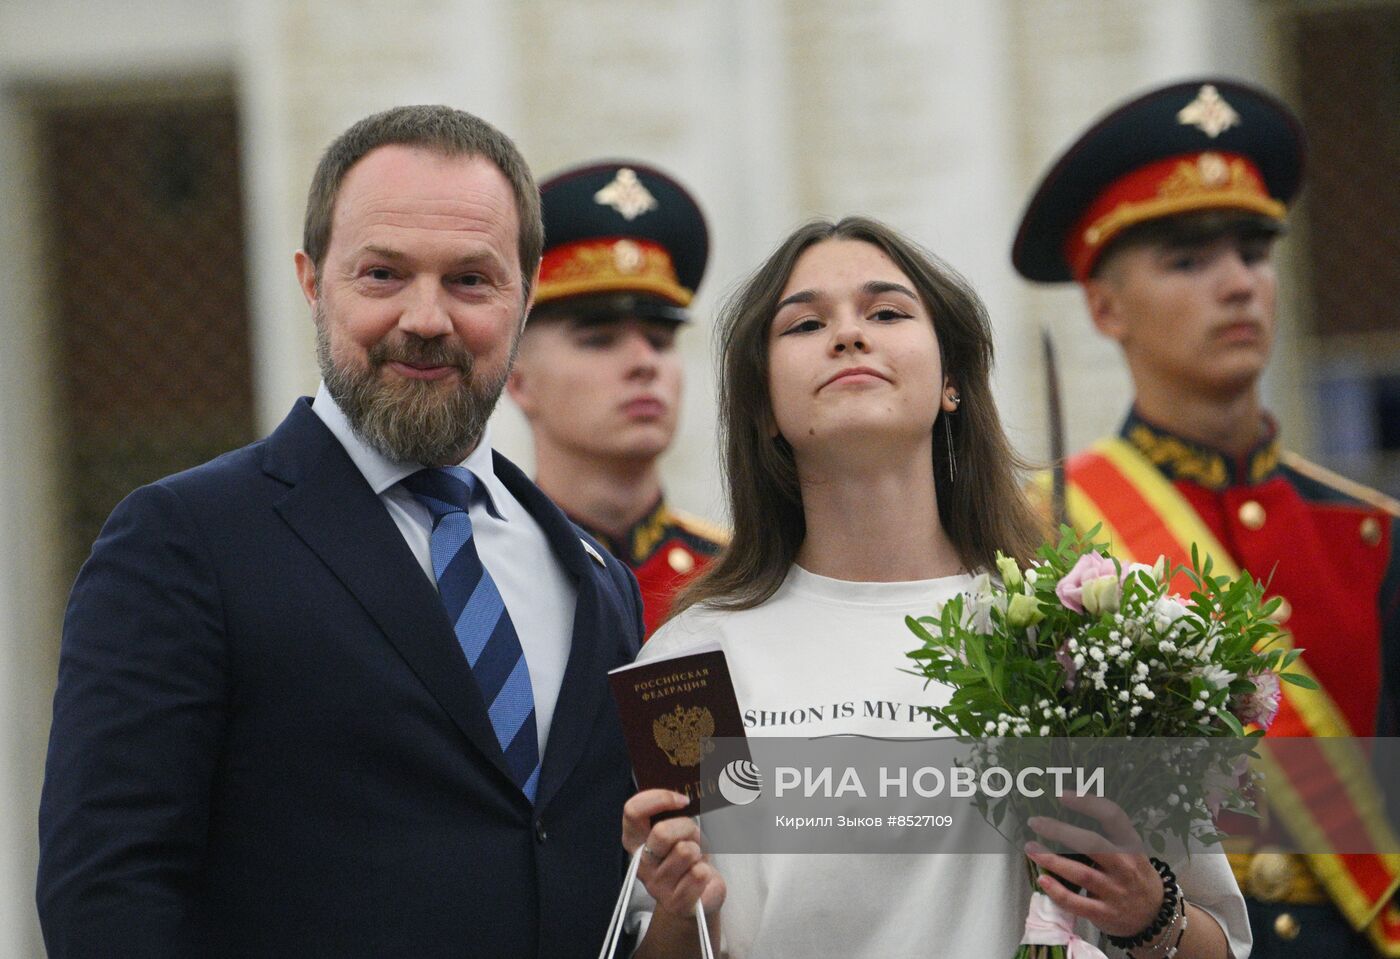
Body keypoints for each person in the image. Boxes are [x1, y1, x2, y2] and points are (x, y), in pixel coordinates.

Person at [36, 105, 644, 959]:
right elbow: (109, 890)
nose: (427, 318)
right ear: (313, 282)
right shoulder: (184, 543)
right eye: (383, 274)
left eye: (471, 279)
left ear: (526, 295)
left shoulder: (594, 575)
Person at [619, 216, 1251, 958]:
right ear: (763, 407)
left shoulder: (1076, 630)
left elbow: (1218, 942)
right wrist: (678, 908)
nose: (850, 336)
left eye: (886, 313)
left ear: (952, 381)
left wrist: (1144, 910)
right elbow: (674, 927)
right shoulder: (689, 657)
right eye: (806, 324)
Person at [1012, 78, 1400, 957]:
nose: (1237, 284)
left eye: (1254, 251)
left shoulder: (1371, 534)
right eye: (1187, 260)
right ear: (1105, 307)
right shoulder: (1049, 532)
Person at [507, 160, 725, 636]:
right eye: (599, 340)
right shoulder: (485, 582)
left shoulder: (735, 583)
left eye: (661, 339)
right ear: (516, 380)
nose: (644, 363)